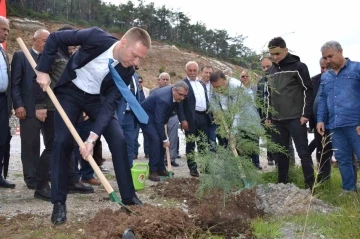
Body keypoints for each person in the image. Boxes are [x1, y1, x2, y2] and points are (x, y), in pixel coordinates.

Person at [35, 26, 151, 225]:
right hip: (70, 92)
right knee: (62, 142)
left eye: (140, 58)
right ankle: (59, 203)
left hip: (96, 100)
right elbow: (54, 38)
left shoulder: (126, 70)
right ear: (123, 42)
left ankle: (128, 197)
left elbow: (108, 107)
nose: (136, 62)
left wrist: (91, 138)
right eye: (134, 55)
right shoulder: (95, 37)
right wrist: (43, 70)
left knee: (119, 139)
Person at [266, 37, 314, 189]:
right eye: (272, 54)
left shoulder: (299, 67)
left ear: (286, 50)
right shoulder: (271, 71)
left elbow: (308, 90)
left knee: (303, 153)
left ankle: (310, 185)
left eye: (278, 53)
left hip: (296, 118)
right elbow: (269, 95)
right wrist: (268, 116)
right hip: (277, 120)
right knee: (281, 153)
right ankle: (282, 184)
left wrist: (306, 114)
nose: (275, 57)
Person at [317, 41, 360, 192]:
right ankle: (349, 190)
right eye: (325, 58)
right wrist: (321, 119)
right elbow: (323, 99)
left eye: (330, 56)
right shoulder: (326, 77)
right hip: (335, 124)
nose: (328, 61)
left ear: (340, 51)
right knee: (343, 159)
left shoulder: (357, 69)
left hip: (355, 123)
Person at [11, 29, 50, 189]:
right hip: (28, 108)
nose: (47, 44)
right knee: (30, 144)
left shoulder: (49, 58)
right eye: (44, 41)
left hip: (48, 109)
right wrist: (18, 104)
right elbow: (15, 83)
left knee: (51, 143)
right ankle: (31, 177)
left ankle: (45, 174)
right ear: (34, 40)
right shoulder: (21, 56)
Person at [140, 81, 189, 181]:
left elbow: (179, 108)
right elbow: (159, 121)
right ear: (174, 90)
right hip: (146, 117)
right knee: (156, 140)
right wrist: (164, 139)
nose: (182, 98)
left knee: (162, 143)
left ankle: (161, 168)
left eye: (185, 96)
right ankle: (152, 171)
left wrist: (183, 120)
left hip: (157, 117)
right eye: (181, 95)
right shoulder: (164, 99)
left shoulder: (178, 96)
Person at [209, 70, 262, 160]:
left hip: (247, 120)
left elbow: (236, 112)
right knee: (234, 151)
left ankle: (253, 168)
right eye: (215, 87)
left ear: (225, 80)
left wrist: (233, 134)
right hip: (231, 119)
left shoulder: (235, 86)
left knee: (249, 148)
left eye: (219, 86)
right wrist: (217, 111)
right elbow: (212, 98)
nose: (217, 89)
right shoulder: (215, 84)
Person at [258, 56, 295, 166]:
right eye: (263, 67)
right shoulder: (261, 82)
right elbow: (259, 100)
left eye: (268, 66)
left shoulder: (282, 78)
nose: (266, 69)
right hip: (267, 118)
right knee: (273, 143)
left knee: (286, 143)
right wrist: (263, 117)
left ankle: (292, 167)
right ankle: (280, 169)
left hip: (283, 116)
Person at [178, 61, 211, 177]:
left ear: (197, 71)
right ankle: (192, 168)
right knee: (191, 143)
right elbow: (180, 104)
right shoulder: (182, 84)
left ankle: (204, 166)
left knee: (203, 143)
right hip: (190, 118)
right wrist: (182, 120)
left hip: (203, 117)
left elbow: (206, 100)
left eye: (194, 70)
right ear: (186, 71)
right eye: (190, 70)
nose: (192, 72)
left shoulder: (201, 84)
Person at [309, 58, 332, 182]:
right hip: (319, 123)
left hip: (334, 123)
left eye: (327, 68)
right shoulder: (315, 80)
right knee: (321, 152)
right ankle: (323, 180)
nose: (324, 70)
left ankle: (350, 187)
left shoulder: (337, 79)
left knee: (343, 154)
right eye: (322, 68)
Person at [0, 16, 15, 189]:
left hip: (3, 102)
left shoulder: (3, 52)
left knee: (2, 139)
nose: (6, 33)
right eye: (3, 29)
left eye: (7, 30)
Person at [240, 70, 262, 170]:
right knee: (244, 142)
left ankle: (256, 163)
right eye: (243, 76)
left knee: (255, 142)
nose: (245, 78)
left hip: (254, 118)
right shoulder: (237, 90)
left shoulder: (256, 89)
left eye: (246, 76)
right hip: (242, 120)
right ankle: (246, 164)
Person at [199, 65, 216, 152]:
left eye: (210, 73)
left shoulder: (215, 85)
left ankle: (212, 159)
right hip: (201, 115)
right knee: (202, 139)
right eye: (206, 72)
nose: (208, 75)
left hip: (214, 116)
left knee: (212, 138)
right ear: (201, 73)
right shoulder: (197, 85)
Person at [133, 76, 149, 159]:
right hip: (135, 116)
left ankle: (147, 152)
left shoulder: (147, 91)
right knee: (134, 136)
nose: (139, 83)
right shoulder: (133, 91)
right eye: (138, 81)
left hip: (145, 116)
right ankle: (134, 153)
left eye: (140, 81)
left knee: (147, 135)